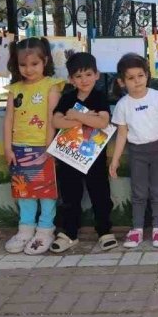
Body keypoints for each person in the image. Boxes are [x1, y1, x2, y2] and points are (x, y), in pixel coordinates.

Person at [49, 52, 117, 253]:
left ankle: (104, 231)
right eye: (78, 76)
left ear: (97, 74)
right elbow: (56, 121)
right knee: (70, 197)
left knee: (100, 195)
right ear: (71, 79)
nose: (84, 80)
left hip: (94, 158)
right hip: (69, 157)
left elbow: (102, 121)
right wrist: (86, 119)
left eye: (88, 74)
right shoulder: (67, 97)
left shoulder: (99, 96)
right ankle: (70, 234)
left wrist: (75, 115)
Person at [109, 53, 158, 248]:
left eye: (140, 75)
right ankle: (137, 228)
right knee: (138, 192)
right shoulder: (122, 105)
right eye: (130, 78)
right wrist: (115, 160)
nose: (137, 81)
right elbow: (122, 134)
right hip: (136, 153)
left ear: (147, 75)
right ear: (122, 82)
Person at [3, 38, 63, 255]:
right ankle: (25, 229)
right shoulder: (14, 89)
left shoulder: (51, 86)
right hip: (19, 148)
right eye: (23, 65)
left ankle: (45, 229)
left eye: (34, 64)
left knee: (46, 192)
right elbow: (9, 119)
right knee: (24, 191)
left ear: (45, 61)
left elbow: (52, 118)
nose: (28, 69)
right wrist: (7, 148)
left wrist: (49, 147)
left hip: (43, 148)